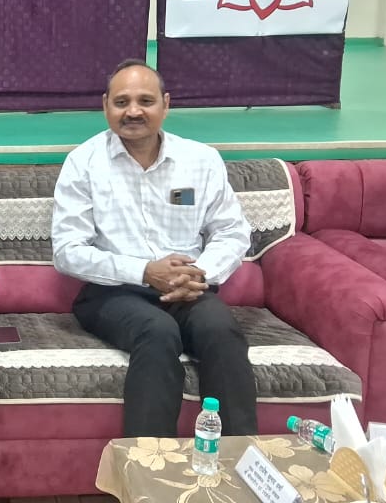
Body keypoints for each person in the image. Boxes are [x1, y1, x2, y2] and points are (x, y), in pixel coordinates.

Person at [51, 59, 256, 437]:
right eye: (121, 102)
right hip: (113, 293)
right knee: (157, 332)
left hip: (189, 288)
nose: (133, 111)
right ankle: (147, 465)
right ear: (105, 106)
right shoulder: (84, 163)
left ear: (166, 104)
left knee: (221, 330)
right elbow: (67, 250)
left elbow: (232, 231)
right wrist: (145, 271)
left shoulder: (201, 161)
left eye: (145, 101)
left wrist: (200, 273)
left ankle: (237, 457)